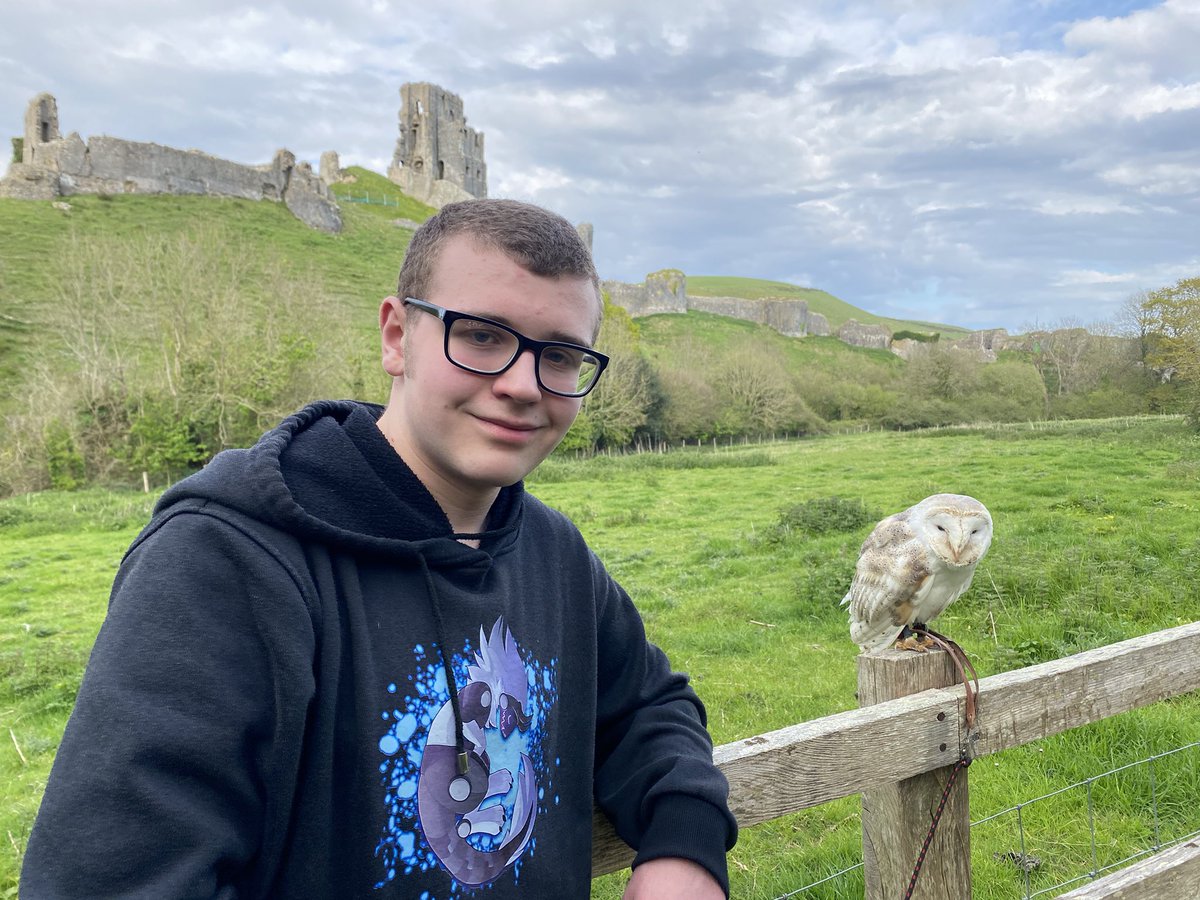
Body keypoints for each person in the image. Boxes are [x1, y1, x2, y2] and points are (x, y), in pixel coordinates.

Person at [21, 199, 737, 898]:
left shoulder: (555, 553)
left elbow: (652, 707)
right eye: (482, 335)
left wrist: (687, 848)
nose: (524, 386)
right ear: (397, 336)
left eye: (560, 355)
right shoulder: (223, 562)